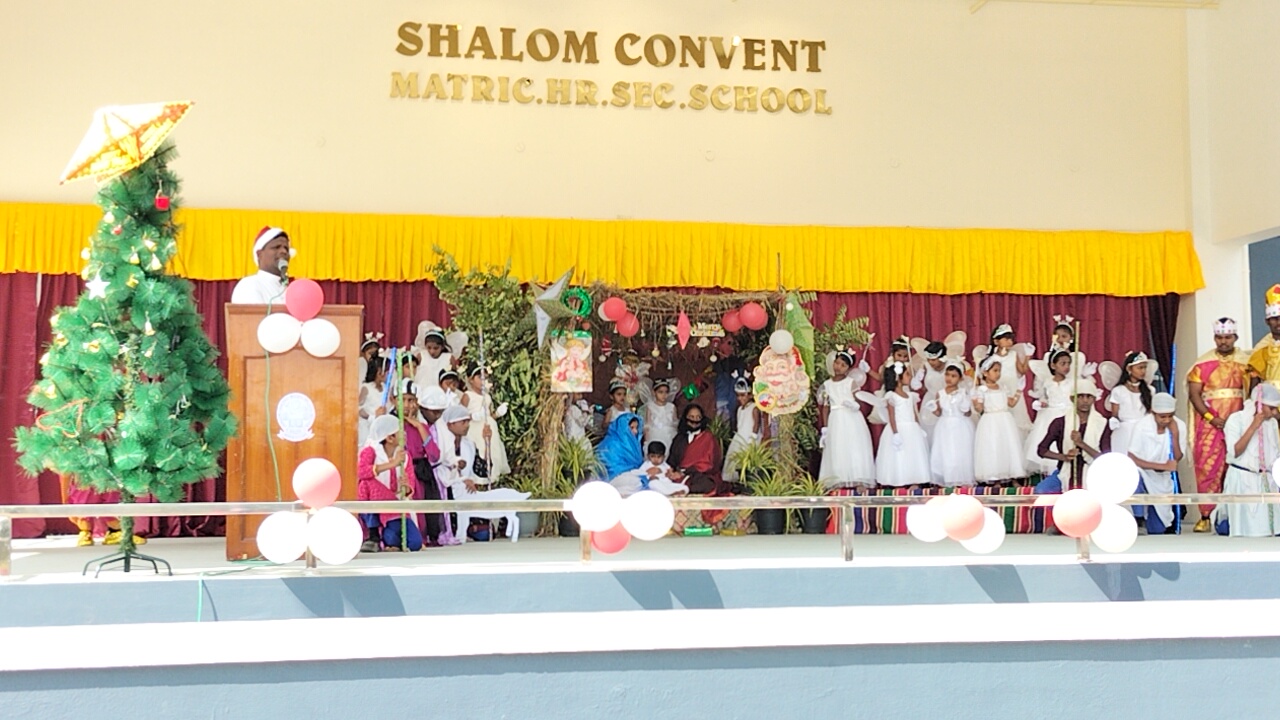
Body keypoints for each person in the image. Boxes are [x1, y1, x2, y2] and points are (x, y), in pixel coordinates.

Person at [1186, 318, 1253, 532]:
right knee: (1207, 467)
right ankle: (1206, 515)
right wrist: (1211, 418)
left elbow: (1252, 391)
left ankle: (1235, 514)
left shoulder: (1246, 362)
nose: (1223, 341)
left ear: (1235, 338)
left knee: (1236, 466)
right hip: (1210, 425)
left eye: (1227, 337)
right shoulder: (1201, 364)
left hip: (1238, 423)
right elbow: (1194, 395)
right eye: (1219, 337)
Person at [1220, 384, 1280, 537]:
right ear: (1258, 404)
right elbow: (1235, 452)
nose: (1275, 413)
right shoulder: (1236, 419)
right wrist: (1254, 426)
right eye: (1271, 408)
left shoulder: (1272, 423)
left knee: (1270, 531)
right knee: (1246, 532)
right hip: (1243, 479)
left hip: (1266, 481)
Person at [357, 415, 423, 552]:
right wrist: (391, 464)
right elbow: (361, 472)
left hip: (396, 505)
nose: (405, 434)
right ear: (390, 438)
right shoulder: (371, 451)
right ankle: (374, 534)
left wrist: (406, 487)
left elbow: (410, 481)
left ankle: (387, 536)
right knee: (367, 482)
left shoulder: (404, 456)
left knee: (415, 543)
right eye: (401, 431)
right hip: (376, 500)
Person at [1127, 392, 1186, 535]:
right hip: (1143, 471)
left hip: (1163, 479)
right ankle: (1139, 519)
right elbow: (1132, 458)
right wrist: (1162, 466)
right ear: (1153, 413)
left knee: (1157, 530)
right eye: (1162, 416)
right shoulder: (1142, 426)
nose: (1166, 420)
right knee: (1133, 475)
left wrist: (1175, 434)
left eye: (1170, 416)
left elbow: (1177, 457)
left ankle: (1152, 520)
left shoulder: (1179, 425)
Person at [1037, 378, 1110, 491]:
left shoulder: (1102, 423)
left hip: (1093, 472)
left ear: (1094, 399)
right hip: (1064, 472)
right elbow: (1042, 450)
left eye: (1089, 396)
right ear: (1072, 399)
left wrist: (1081, 444)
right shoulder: (1060, 423)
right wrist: (1064, 457)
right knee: (1042, 490)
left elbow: (1106, 458)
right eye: (1080, 396)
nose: (1085, 400)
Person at [818, 349, 876, 490]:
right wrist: (825, 428)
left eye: (843, 365)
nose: (838, 367)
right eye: (837, 363)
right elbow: (825, 407)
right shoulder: (827, 384)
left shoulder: (851, 383)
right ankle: (838, 480)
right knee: (837, 447)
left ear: (848, 369)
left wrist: (855, 405)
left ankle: (859, 480)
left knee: (854, 446)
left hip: (852, 419)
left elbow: (859, 401)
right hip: (836, 419)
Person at [972, 355, 1027, 484]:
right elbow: (979, 409)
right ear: (985, 372)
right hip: (990, 421)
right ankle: (996, 478)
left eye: (999, 371)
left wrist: (1019, 391)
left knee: (1008, 446)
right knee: (994, 447)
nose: (998, 374)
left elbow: (1011, 403)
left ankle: (1013, 477)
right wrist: (974, 400)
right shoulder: (982, 390)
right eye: (995, 370)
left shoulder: (1003, 387)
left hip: (1005, 421)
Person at [875, 362, 931, 487]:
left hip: (912, 429)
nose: (909, 377)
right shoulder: (892, 396)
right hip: (899, 428)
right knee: (900, 455)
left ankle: (914, 480)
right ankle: (899, 480)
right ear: (898, 378)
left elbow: (914, 413)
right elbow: (892, 416)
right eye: (907, 374)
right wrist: (895, 433)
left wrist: (919, 427)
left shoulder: (910, 395)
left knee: (913, 454)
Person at [1024, 350, 1075, 475]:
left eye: (1068, 363)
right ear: (1053, 365)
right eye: (1063, 363)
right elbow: (1045, 397)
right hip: (1050, 415)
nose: (1066, 367)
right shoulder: (1047, 382)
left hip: (1068, 414)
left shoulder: (1072, 382)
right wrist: (1041, 404)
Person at [977, 324, 1033, 433]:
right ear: (996, 341)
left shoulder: (1013, 354)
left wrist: (1028, 356)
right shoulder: (992, 359)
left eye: (1011, 339)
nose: (1009, 342)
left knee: (1017, 419)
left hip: (1013, 389)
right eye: (1006, 339)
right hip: (998, 391)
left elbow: (1022, 370)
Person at [930, 359, 976, 487]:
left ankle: (961, 479)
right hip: (945, 425)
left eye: (953, 376)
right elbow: (939, 412)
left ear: (960, 378)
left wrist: (966, 404)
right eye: (947, 375)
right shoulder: (940, 393)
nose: (949, 378)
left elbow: (968, 413)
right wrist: (933, 409)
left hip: (960, 425)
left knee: (959, 452)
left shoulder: (963, 392)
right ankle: (947, 478)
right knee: (946, 451)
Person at [461, 366, 510, 480]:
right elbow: (460, 415)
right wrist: (472, 416)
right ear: (471, 379)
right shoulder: (468, 395)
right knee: (480, 452)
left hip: (489, 429)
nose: (483, 380)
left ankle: (493, 477)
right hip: (475, 430)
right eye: (479, 377)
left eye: (485, 378)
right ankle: (478, 479)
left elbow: (488, 415)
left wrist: (497, 413)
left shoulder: (487, 396)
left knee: (493, 451)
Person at [667, 403, 727, 495]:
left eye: (698, 417)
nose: (694, 420)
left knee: (706, 484)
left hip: (700, 475)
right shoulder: (679, 438)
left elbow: (709, 464)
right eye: (691, 417)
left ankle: (683, 487)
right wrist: (670, 471)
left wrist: (685, 473)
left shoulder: (708, 438)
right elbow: (672, 460)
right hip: (678, 476)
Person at [1106, 351, 1154, 457]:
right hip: (1124, 432)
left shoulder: (1149, 390)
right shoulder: (1119, 390)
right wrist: (1114, 422)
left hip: (1143, 431)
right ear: (1129, 369)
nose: (1143, 371)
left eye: (1145, 368)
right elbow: (1115, 414)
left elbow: (1151, 412)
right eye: (1140, 368)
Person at [230, 226, 292, 305]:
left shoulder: (292, 290)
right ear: (259, 255)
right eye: (276, 247)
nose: (284, 251)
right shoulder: (249, 285)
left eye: (286, 248)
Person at [724, 377, 767, 484]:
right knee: (734, 460)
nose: (740, 398)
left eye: (743, 395)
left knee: (747, 463)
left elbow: (756, 424)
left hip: (749, 439)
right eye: (738, 395)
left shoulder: (754, 408)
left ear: (750, 395)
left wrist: (752, 438)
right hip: (740, 438)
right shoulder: (739, 409)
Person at [611, 441, 690, 498]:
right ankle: (669, 493)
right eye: (653, 456)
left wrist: (670, 474)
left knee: (683, 486)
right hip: (654, 484)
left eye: (659, 457)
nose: (656, 459)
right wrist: (647, 473)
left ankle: (678, 491)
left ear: (664, 457)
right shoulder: (646, 464)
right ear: (648, 456)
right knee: (653, 484)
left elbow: (670, 473)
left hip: (666, 483)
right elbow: (638, 474)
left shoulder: (665, 465)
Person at [913, 341, 948, 443]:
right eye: (928, 360)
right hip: (930, 400)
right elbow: (919, 385)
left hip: (947, 401)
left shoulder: (952, 365)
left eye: (933, 360)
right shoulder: (925, 366)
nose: (930, 362)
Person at [1250, 285, 1280, 393]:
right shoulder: (1262, 348)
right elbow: (1255, 379)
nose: (1279, 323)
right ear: (1267, 321)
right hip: (1269, 400)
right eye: (1274, 319)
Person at [598, 412, 645, 481]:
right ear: (623, 427)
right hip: (615, 479)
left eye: (636, 427)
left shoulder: (633, 443)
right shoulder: (610, 444)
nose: (636, 431)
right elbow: (611, 467)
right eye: (632, 428)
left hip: (632, 476)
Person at [643, 379, 678, 460]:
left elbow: (675, 423)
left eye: (666, 392)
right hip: (654, 436)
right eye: (660, 392)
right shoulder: (650, 406)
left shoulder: (671, 407)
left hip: (669, 436)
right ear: (654, 392)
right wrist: (646, 442)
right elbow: (647, 425)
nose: (664, 395)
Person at [413, 324, 455, 391]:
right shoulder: (421, 355)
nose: (432, 351)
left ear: (442, 346)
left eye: (436, 348)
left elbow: (453, 378)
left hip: (441, 393)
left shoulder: (449, 358)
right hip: (422, 391)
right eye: (429, 348)